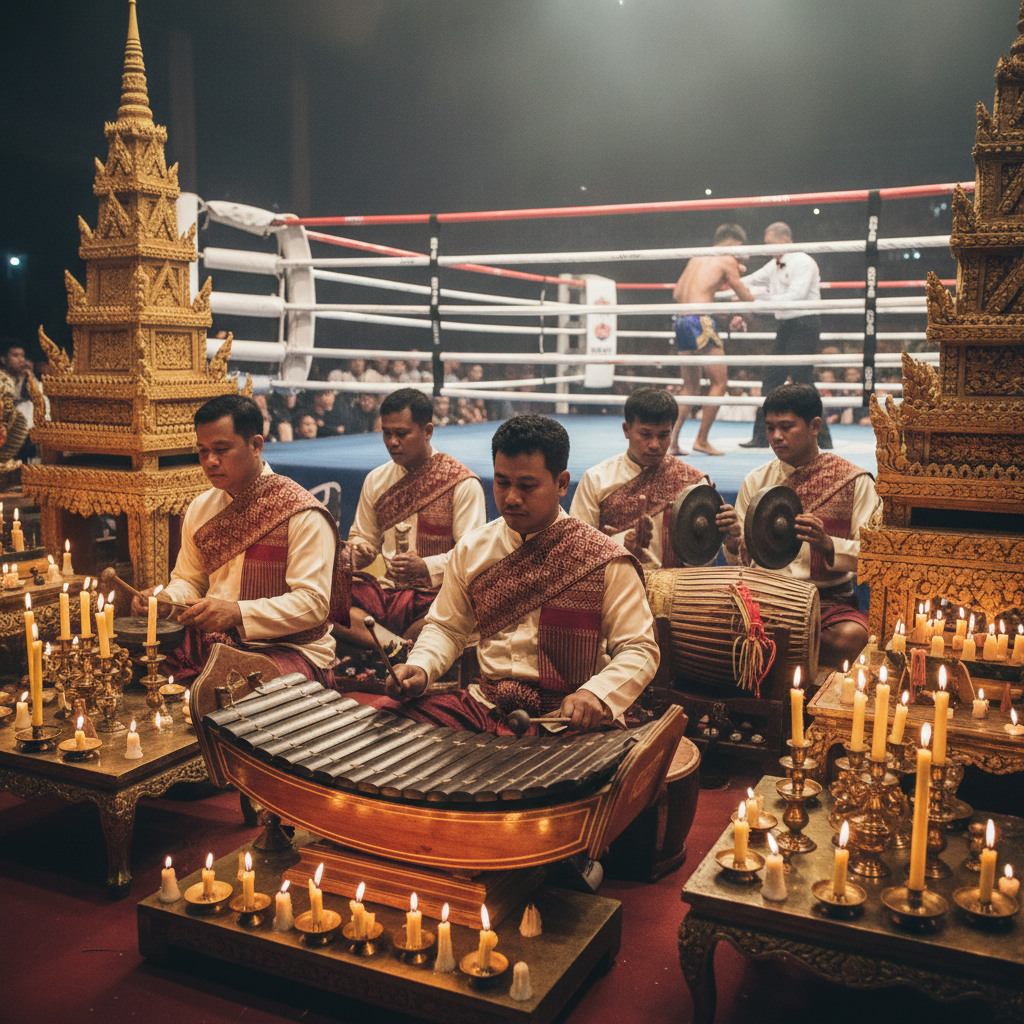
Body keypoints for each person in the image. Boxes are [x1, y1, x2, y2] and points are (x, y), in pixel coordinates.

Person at [384, 415, 660, 735]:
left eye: (527, 486)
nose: (511, 498)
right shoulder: (473, 549)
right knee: (393, 725)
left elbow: (640, 649)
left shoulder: (604, 560)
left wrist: (595, 693)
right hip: (485, 708)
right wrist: (421, 666)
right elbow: (447, 628)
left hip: (566, 719)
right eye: (502, 483)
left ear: (561, 483)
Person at [130, 394, 347, 685]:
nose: (210, 461)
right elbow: (190, 580)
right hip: (213, 642)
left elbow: (313, 605)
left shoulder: (302, 513)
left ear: (256, 445)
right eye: (203, 451)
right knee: (134, 666)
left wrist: (238, 613)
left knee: (239, 688)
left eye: (221, 449)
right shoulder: (201, 508)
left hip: (287, 650)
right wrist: (169, 601)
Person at [717, 384, 878, 669]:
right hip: (764, 599)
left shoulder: (855, 482)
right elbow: (741, 563)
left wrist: (829, 545)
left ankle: (774, 653)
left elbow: (874, 554)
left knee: (852, 639)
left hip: (826, 603)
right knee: (707, 625)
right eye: (770, 428)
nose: (776, 437)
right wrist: (732, 542)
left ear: (815, 426)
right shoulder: (756, 481)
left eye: (786, 427)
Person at [338, 387, 486, 652]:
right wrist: (357, 553)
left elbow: (471, 559)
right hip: (387, 595)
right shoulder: (376, 480)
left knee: (465, 608)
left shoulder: (462, 484)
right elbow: (362, 538)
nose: (392, 442)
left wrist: (425, 567)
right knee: (325, 597)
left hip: (437, 596)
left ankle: (388, 645)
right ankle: (398, 647)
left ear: (427, 431)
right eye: (386, 433)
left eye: (401, 433)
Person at [570, 386, 720, 568]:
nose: (655, 444)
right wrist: (621, 544)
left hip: (679, 584)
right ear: (626, 430)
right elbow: (577, 548)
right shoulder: (596, 480)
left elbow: (703, 559)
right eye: (645, 434)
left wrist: (730, 541)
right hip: (615, 582)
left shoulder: (694, 483)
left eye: (663, 435)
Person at [738, 222, 833, 449]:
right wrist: (728, 281)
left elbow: (796, 296)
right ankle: (762, 437)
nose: (767, 247)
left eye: (770, 243)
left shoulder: (804, 262)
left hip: (805, 324)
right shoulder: (774, 265)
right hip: (785, 326)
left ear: (784, 239)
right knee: (771, 378)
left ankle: (822, 438)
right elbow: (750, 280)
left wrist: (757, 300)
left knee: (802, 379)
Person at [669, 225, 754, 457]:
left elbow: (677, 293)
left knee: (690, 387)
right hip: (700, 322)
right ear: (734, 243)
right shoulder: (727, 259)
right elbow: (742, 293)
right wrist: (753, 301)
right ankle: (702, 440)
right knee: (719, 383)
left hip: (681, 320)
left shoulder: (696, 258)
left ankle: (672, 443)